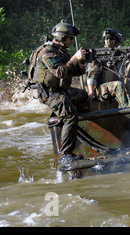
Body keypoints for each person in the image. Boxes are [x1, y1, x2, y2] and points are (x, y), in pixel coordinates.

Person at [33, 20, 88, 163]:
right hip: (49, 93)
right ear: (62, 37)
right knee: (70, 115)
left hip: (61, 90)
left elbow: (73, 72)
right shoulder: (47, 52)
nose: (72, 41)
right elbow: (61, 72)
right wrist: (74, 58)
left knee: (83, 96)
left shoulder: (60, 52)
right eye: (71, 38)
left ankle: (80, 136)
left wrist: (81, 61)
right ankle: (66, 155)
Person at [86, 28, 130, 109]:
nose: (108, 40)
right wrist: (91, 92)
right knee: (118, 85)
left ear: (116, 40)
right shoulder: (99, 56)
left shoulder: (121, 54)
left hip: (114, 88)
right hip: (100, 90)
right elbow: (91, 77)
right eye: (106, 38)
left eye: (111, 38)